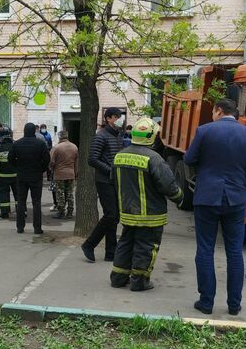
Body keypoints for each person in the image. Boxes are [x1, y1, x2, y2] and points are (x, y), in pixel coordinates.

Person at [184, 98, 246, 316]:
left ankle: (206, 302)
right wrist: (242, 192)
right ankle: (234, 305)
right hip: (235, 200)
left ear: (218, 111)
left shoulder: (204, 131)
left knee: (205, 249)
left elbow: (189, 159)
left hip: (206, 197)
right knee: (235, 251)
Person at [109, 118, 184, 291]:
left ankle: (118, 278)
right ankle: (139, 281)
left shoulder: (119, 156)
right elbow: (169, 186)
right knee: (146, 247)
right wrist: (180, 198)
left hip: (127, 212)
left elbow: (114, 181)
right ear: (151, 137)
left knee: (125, 243)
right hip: (151, 215)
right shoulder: (154, 159)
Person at [81, 107, 124, 262]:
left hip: (115, 180)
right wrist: (109, 170)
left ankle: (111, 252)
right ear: (108, 119)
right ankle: (89, 244)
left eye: (120, 116)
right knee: (111, 214)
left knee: (114, 217)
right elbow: (92, 159)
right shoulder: (101, 136)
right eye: (115, 116)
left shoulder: (118, 135)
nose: (119, 118)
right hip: (104, 180)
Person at [8, 123, 50, 234]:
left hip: (21, 176)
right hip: (36, 176)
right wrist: (41, 169)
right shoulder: (40, 144)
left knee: (21, 201)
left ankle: (20, 227)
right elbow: (46, 159)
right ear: (34, 131)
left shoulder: (17, 144)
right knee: (36, 202)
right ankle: (37, 228)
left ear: (24, 131)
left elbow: (10, 158)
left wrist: (17, 167)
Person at [49, 130, 78, 219]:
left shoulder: (56, 148)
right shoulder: (74, 147)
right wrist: (75, 173)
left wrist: (52, 170)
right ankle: (70, 212)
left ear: (59, 137)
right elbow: (76, 163)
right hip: (71, 173)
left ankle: (61, 212)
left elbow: (52, 162)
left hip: (59, 174)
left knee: (60, 193)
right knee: (70, 193)